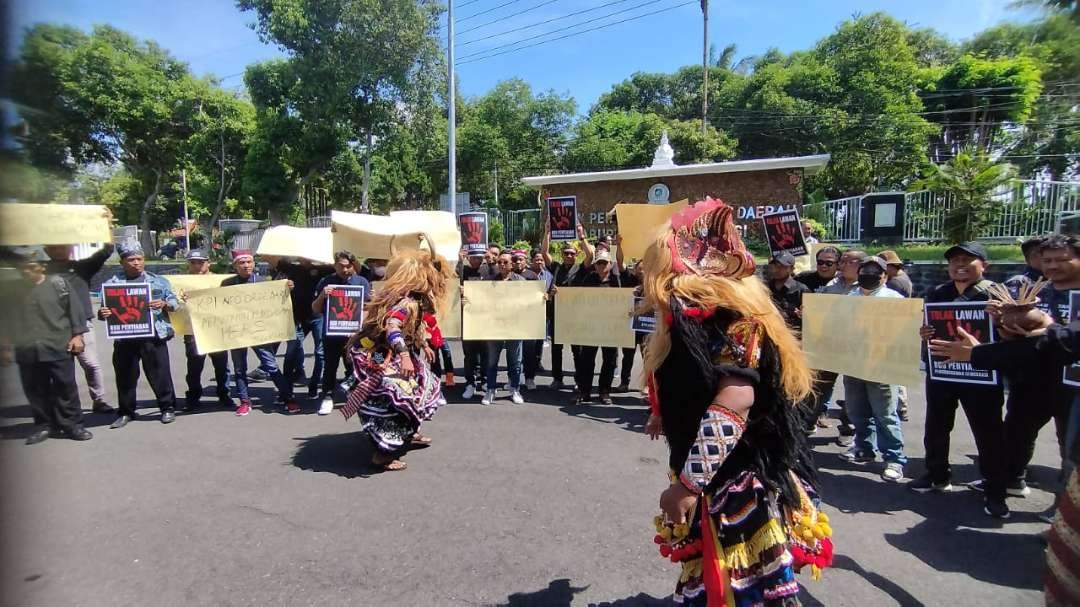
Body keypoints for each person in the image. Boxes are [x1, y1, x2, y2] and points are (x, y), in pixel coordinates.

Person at [640, 198, 832, 604]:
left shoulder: (734, 322)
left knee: (748, 586)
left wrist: (690, 483)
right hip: (717, 472)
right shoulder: (695, 320)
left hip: (739, 478)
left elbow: (736, 400)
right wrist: (665, 415)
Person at [912, 242, 1009, 518]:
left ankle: (995, 490)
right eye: (954, 260)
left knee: (989, 434)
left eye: (968, 260)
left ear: (984, 265)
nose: (960, 265)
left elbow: (1012, 334)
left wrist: (1001, 321)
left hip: (981, 375)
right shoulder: (938, 292)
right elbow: (929, 327)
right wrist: (926, 331)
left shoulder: (997, 295)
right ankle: (937, 474)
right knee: (936, 427)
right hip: (943, 372)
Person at [340, 249, 449, 472]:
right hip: (378, 354)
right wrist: (406, 356)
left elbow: (414, 328)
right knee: (392, 393)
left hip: (389, 352)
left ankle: (409, 433)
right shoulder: (407, 302)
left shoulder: (414, 299)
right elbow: (393, 327)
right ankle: (382, 454)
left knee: (422, 386)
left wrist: (425, 345)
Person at [999, 234, 1077, 497]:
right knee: (1017, 433)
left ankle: (1066, 508)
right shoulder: (1032, 293)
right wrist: (1005, 324)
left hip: (1074, 386)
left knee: (1072, 447)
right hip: (1032, 378)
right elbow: (1012, 335)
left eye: (1061, 259)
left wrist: (1048, 329)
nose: (1053, 266)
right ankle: (1012, 480)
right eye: (1047, 260)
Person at [2, 250, 93, 443]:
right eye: (23, 268)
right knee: (35, 389)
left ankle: (72, 425)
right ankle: (44, 425)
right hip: (27, 349)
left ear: (42, 266)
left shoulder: (59, 284)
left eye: (32, 267)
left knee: (65, 388)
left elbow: (75, 311)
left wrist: (77, 336)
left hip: (58, 345)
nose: (27, 271)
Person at [839, 256, 908, 482]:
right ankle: (864, 448)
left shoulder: (894, 299)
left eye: (874, 270)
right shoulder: (851, 297)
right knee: (858, 411)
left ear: (884, 276)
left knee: (885, 414)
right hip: (854, 364)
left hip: (882, 367)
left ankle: (894, 459)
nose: (868, 274)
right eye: (864, 270)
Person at [99, 241, 180, 428]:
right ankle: (126, 412)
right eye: (131, 259)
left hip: (153, 337)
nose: (136, 262)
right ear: (122, 262)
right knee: (125, 376)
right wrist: (102, 314)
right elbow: (105, 312)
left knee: (160, 374)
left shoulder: (158, 281)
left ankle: (167, 408)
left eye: (139, 259)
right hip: (125, 338)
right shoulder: (112, 284)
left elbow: (175, 303)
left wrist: (164, 304)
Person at [221, 249, 298, 416]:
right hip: (237, 333)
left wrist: (287, 289)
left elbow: (276, 302)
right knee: (239, 368)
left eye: (249, 262)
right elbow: (218, 307)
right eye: (242, 263)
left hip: (259, 332)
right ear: (235, 266)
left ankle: (288, 398)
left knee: (271, 365)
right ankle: (244, 401)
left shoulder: (263, 282)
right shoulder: (227, 284)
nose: (246, 266)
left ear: (254, 264)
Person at [45, 241, 116, 413]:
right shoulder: (40, 270)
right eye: (54, 247)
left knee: (91, 364)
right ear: (46, 250)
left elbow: (106, 250)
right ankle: (60, 406)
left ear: (70, 248)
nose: (59, 250)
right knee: (58, 369)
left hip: (83, 323)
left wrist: (106, 226)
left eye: (62, 246)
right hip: (52, 325)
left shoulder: (83, 267)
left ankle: (99, 399)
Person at [808, 249, 867, 441]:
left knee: (853, 391)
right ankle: (809, 421)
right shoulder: (833, 284)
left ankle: (848, 429)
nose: (842, 264)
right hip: (829, 345)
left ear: (861, 264)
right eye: (842, 261)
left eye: (848, 261)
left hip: (856, 348)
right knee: (820, 385)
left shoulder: (868, 286)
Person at [311, 250, 372, 415]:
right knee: (330, 367)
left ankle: (354, 396)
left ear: (353, 265)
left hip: (353, 335)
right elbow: (315, 309)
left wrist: (359, 327)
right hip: (331, 334)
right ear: (335, 265)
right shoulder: (326, 281)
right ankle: (327, 397)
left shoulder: (362, 282)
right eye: (341, 266)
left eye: (348, 266)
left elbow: (368, 308)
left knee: (354, 366)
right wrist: (323, 295)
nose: (345, 270)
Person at [180, 250, 232, 412]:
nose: (196, 265)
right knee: (194, 366)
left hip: (217, 329)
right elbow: (173, 304)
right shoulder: (181, 282)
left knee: (221, 365)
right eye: (193, 262)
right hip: (193, 330)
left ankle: (224, 394)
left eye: (200, 262)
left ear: (208, 263)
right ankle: (193, 396)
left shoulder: (221, 281)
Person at [573, 249, 624, 405]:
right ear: (594, 265)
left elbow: (629, 296)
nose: (601, 266)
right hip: (591, 326)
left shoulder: (617, 280)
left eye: (604, 263)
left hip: (610, 328)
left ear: (610, 264)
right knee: (587, 359)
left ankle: (604, 391)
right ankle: (585, 391)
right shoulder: (588, 278)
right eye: (598, 263)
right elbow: (575, 295)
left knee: (609, 360)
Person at [278, 256, 333, 397]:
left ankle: (313, 387)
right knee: (291, 352)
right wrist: (284, 285)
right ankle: (286, 391)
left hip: (317, 317)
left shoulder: (325, 269)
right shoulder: (290, 268)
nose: (305, 260)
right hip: (297, 317)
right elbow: (275, 275)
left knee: (320, 354)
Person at [479, 252, 526, 405]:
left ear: (512, 264)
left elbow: (528, 301)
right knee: (492, 361)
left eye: (505, 262)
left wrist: (541, 297)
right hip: (495, 326)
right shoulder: (490, 281)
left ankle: (514, 388)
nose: (502, 265)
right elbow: (481, 300)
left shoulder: (521, 281)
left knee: (515, 361)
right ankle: (490, 390)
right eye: (499, 262)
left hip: (515, 326)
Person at [540, 227, 585, 390]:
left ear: (576, 255)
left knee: (577, 350)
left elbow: (591, 256)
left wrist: (582, 237)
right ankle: (557, 379)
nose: (569, 256)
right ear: (562, 255)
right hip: (557, 314)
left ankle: (579, 381)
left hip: (575, 316)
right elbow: (544, 253)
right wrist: (547, 234)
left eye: (572, 253)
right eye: (566, 253)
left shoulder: (581, 269)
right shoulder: (556, 267)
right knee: (556, 349)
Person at [459, 249, 490, 399]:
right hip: (468, 319)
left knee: (486, 353)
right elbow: (451, 283)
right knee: (469, 355)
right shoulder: (462, 270)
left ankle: (484, 381)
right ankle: (470, 383)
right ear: (468, 257)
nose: (476, 260)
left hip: (485, 319)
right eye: (473, 257)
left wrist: (490, 257)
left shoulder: (488, 270)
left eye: (479, 257)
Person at [765, 250, 809, 330]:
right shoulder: (765, 288)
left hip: (793, 336)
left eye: (783, 266)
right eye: (775, 265)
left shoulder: (801, 290)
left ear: (792, 269)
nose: (777, 269)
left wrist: (804, 315)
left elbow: (810, 318)